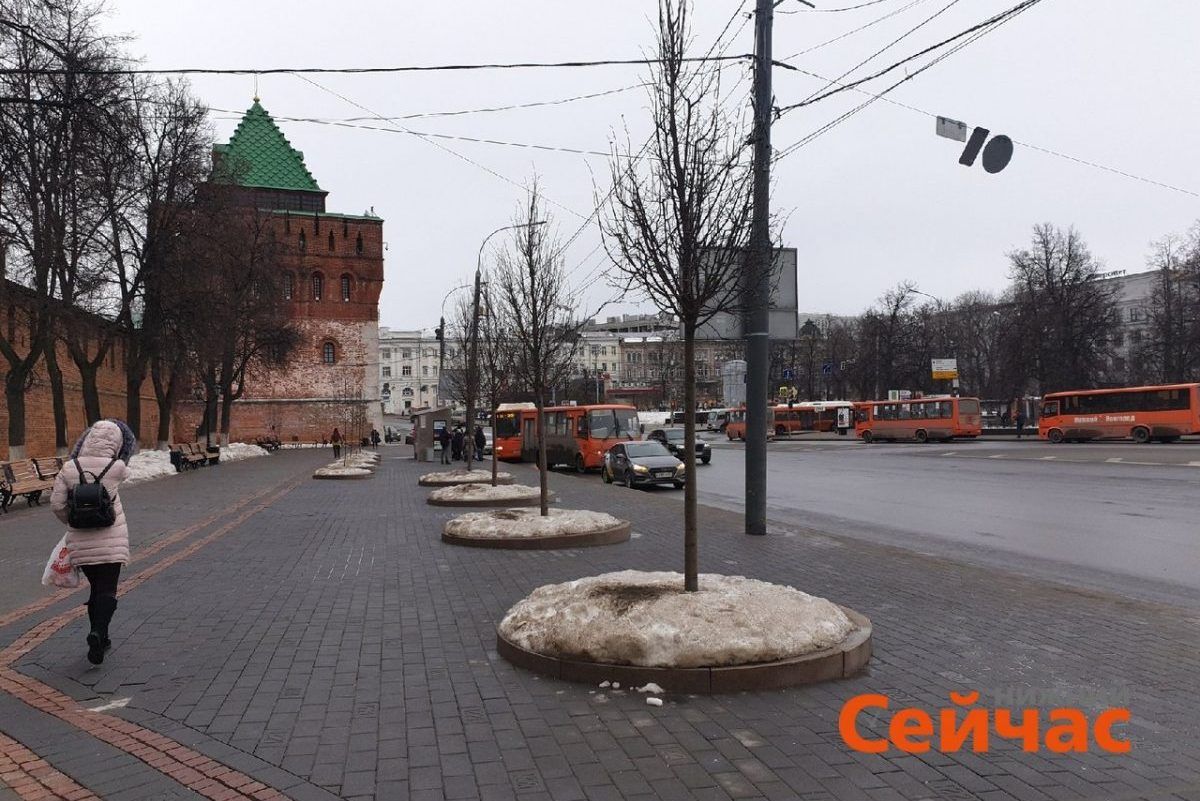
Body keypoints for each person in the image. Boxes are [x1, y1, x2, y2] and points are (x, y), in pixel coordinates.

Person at [50, 420, 136, 665]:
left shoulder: (69, 468)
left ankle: (101, 637)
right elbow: (127, 468)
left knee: (95, 588)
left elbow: (56, 505)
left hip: (80, 541)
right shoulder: (117, 467)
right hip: (112, 539)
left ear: (86, 439)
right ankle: (99, 633)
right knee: (107, 590)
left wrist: (74, 520)